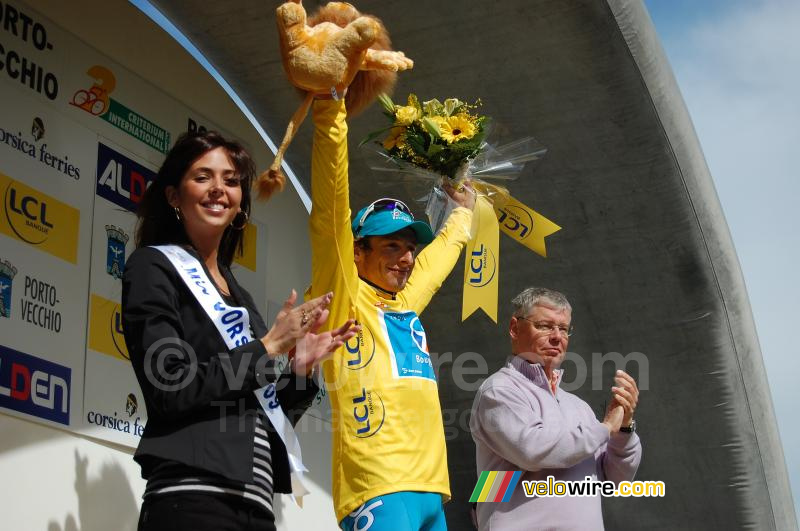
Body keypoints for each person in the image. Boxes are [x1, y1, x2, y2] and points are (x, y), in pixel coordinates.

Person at [122, 130, 357, 531]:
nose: (219, 190)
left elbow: (262, 414)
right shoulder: (152, 267)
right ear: (173, 195)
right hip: (191, 498)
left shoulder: (240, 295)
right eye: (203, 177)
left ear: (240, 205)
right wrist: (267, 346)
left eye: (231, 181)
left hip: (256, 504)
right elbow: (170, 386)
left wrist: (300, 371)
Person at [308, 96, 476, 530]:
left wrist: (461, 211)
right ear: (356, 251)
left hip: (431, 490)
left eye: (408, 247)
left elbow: (441, 257)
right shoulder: (342, 292)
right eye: (390, 246)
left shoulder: (403, 301)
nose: (405, 259)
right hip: (378, 486)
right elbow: (330, 210)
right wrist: (331, 112)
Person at [470, 287, 642, 531]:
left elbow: (614, 482)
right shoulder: (498, 390)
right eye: (544, 326)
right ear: (514, 328)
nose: (556, 337)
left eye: (563, 329)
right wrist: (604, 428)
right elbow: (533, 451)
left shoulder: (578, 407)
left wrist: (623, 430)